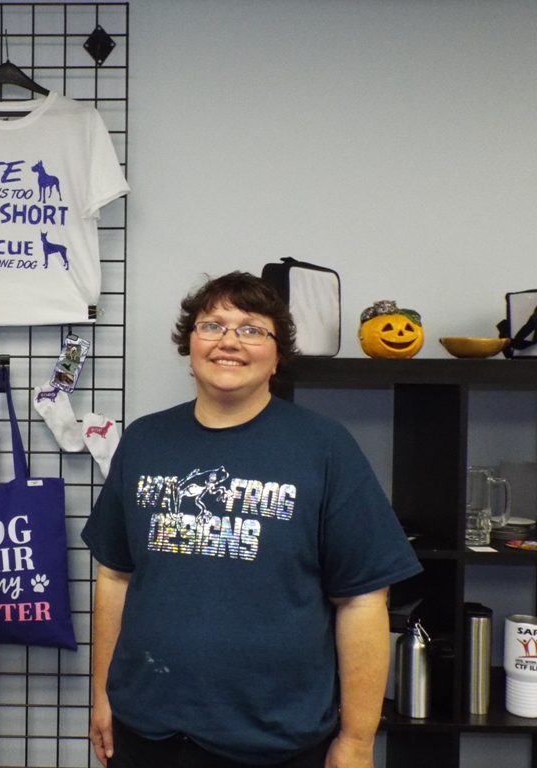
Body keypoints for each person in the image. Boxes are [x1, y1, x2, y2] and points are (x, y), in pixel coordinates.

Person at [82, 272, 422, 768]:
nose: (229, 341)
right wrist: (103, 694)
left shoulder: (324, 448)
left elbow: (363, 600)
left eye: (252, 329)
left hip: (276, 742)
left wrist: (356, 739)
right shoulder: (144, 441)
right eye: (212, 325)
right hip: (146, 732)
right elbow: (115, 576)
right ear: (189, 344)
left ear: (277, 355)